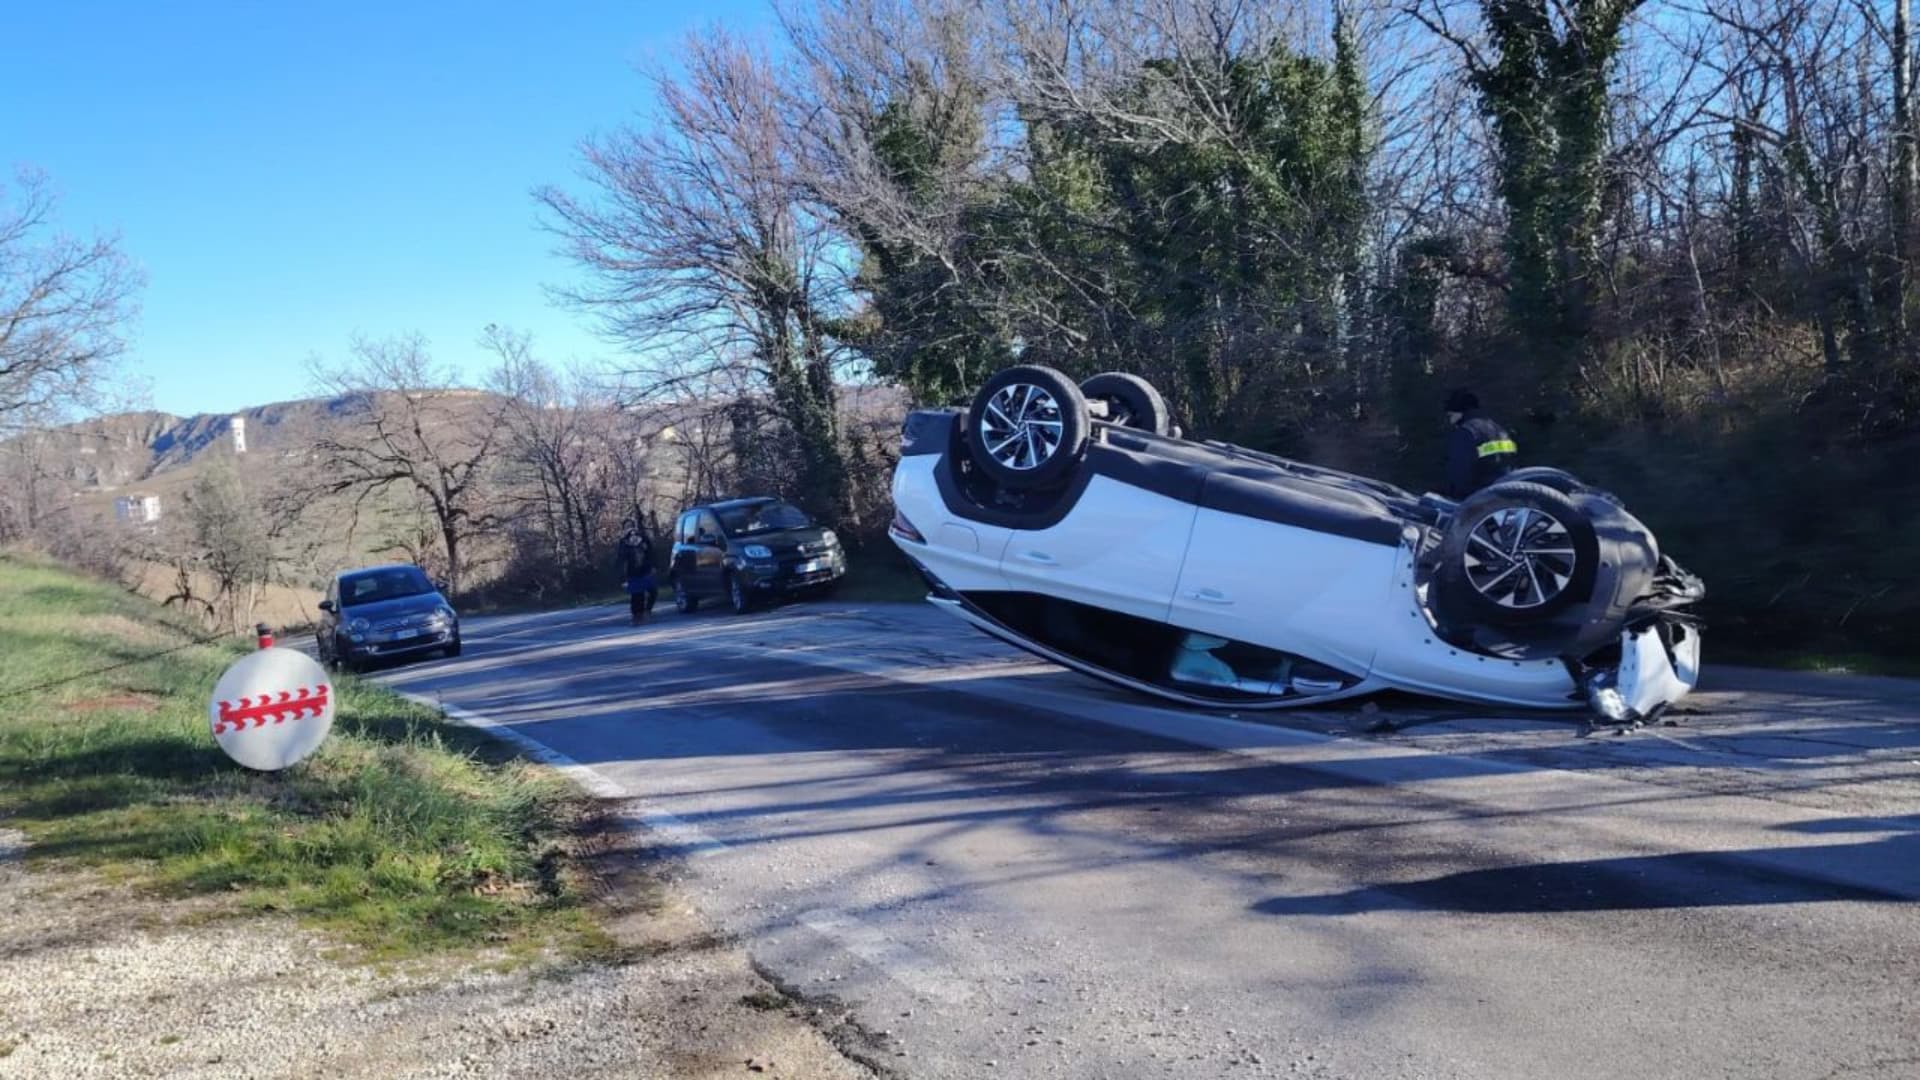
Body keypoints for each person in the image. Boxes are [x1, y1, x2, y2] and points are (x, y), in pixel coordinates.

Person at [1443, 388, 1517, 498]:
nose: (1450, 421)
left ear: (1459, 412)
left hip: (1480, 496)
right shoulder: (1498, 429)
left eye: (1450, 416)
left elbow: (1460, 472)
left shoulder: (1466, 432)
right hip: (1507, 493)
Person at [617, 521, 656, 624]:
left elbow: (651, 552)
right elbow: (621, 559)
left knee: (653, 591)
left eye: (631, 526)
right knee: (636, 595)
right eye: (627, 527)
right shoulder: (623, 542)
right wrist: (622, 578)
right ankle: (637, 616)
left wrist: (653, 565)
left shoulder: (643, 538)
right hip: (632, 572)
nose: (630, 529)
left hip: (646, 569)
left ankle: (647, 611)